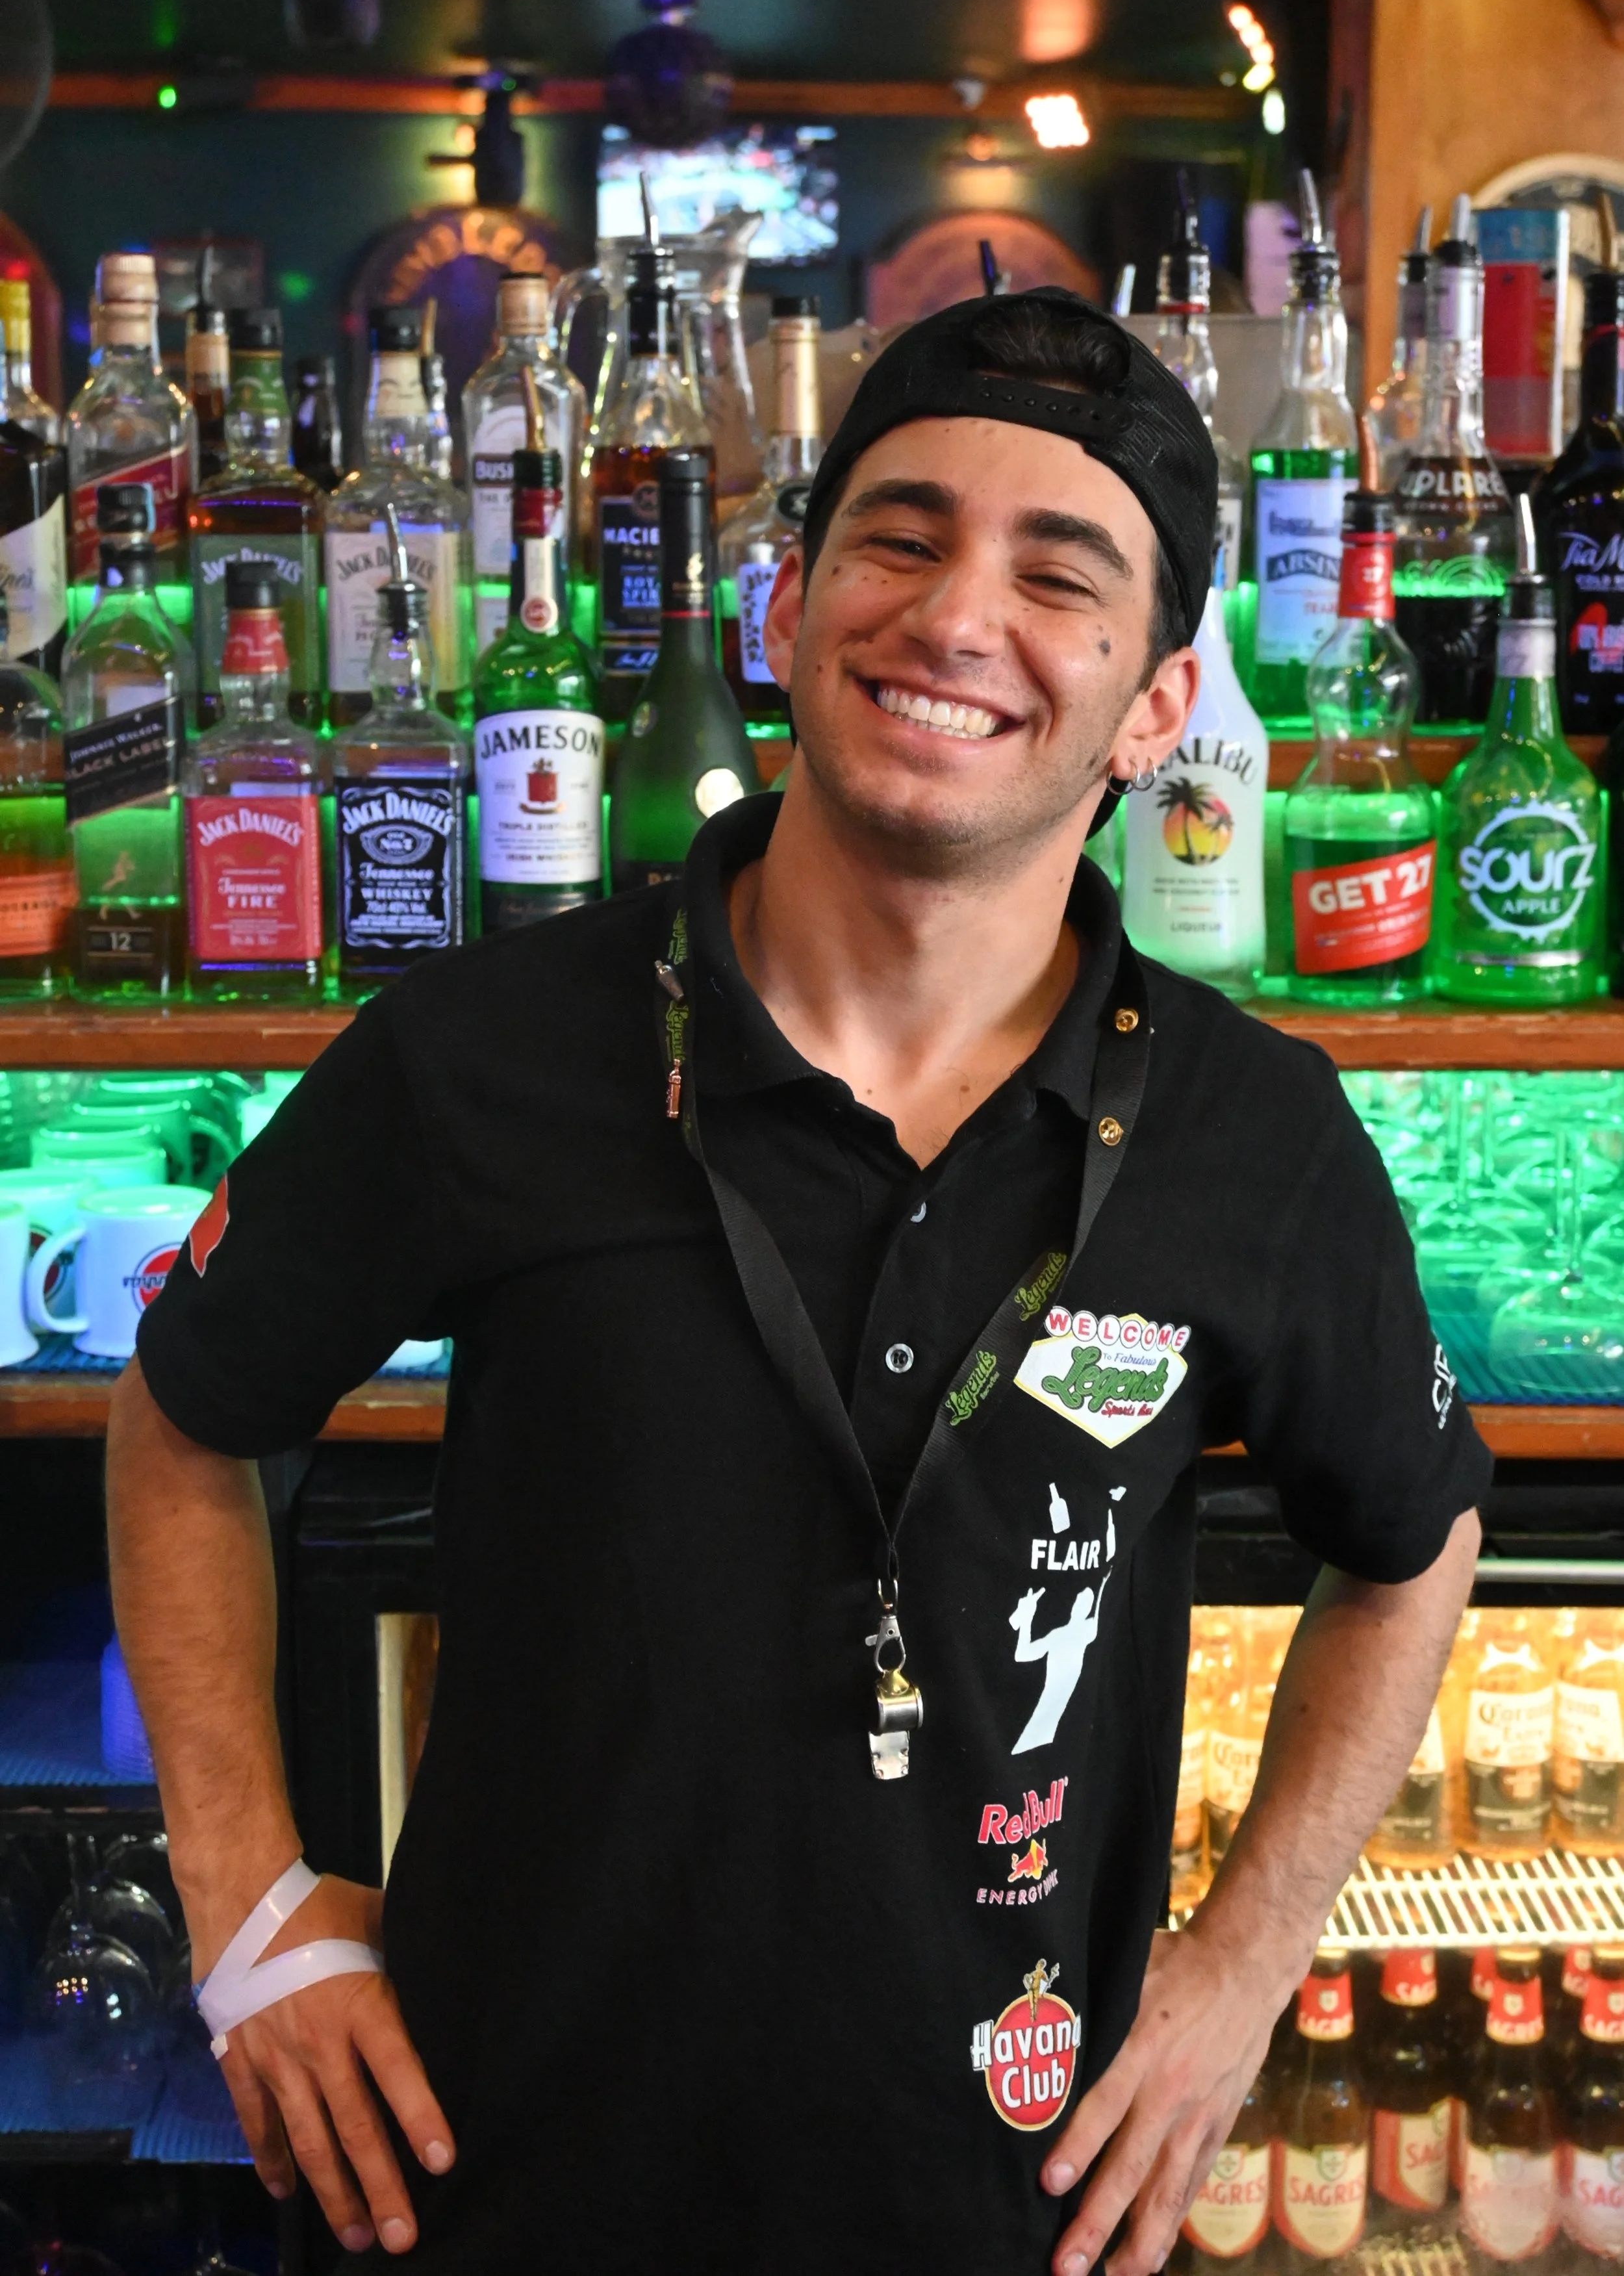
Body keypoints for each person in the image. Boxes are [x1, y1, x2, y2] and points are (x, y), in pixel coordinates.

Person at [107, 287, 1488, 2276]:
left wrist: (1245, 1952)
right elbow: (185, 1412)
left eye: (1056, 573)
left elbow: (1416, 1537)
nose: (951, 619)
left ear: (1160, 702)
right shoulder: (483, 1051)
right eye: (899, 537)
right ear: (787, 602)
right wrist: (245, 1889)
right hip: (488, 2181)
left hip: (1001, 2200)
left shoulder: (1251, 1137)